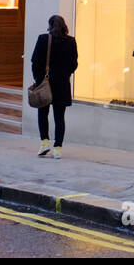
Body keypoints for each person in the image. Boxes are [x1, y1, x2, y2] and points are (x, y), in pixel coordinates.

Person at [30, 15, 79, 158]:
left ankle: (44, 143)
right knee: (59, 117)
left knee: (42, 114)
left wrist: (39, 80)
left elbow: (35, 62)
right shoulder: (71, 41)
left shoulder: (43, 39)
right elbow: (74, 64)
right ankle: (57, 148)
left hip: (45, 84)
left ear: (50, 26)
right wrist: (65, 75)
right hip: (62, 85)